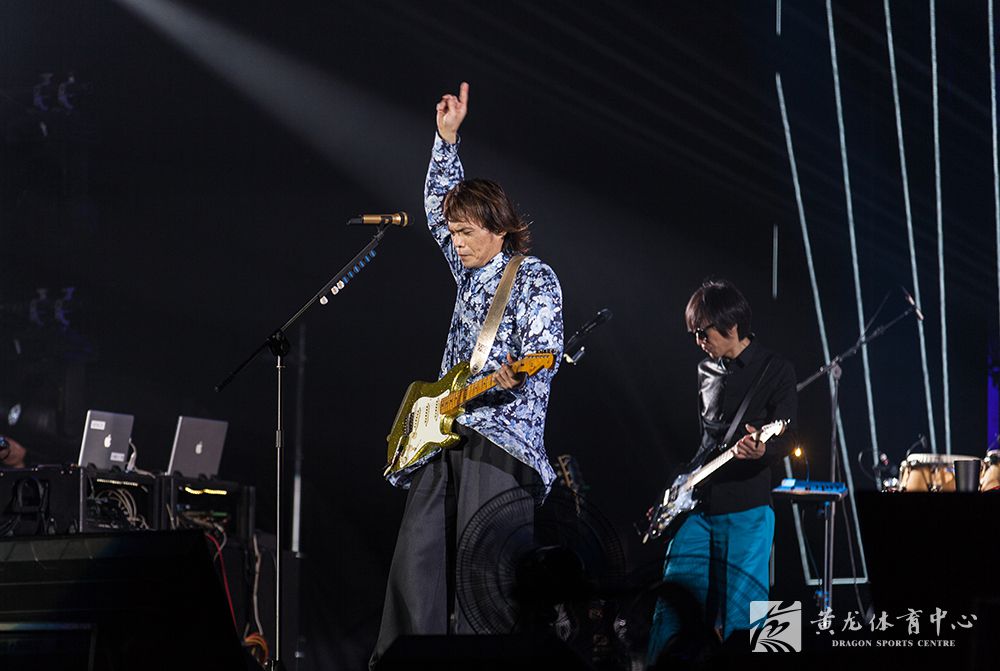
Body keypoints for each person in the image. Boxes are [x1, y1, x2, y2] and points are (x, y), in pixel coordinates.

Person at [371, 82, 563, 667]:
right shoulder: (467, 271)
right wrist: (446, 138)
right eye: (453, 234)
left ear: (499, 229)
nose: (455, 243)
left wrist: (513, 378)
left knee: (485, 579)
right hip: (445, 432)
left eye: (467, 234)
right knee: (416, 561)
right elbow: (437, 206)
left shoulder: (534, 278)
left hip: (501, 440)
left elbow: (543, 354)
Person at [648, 279, 796, 663]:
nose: (699, 341)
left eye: (704, 333)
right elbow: (704, 443)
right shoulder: (705, 370)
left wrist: (762, 449)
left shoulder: (777, 369)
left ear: (731, 326)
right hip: (698, 507)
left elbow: (787, 436)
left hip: (748, 509)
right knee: (672, 603)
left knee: (748, 617)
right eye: (694, 334)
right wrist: (673, 492)